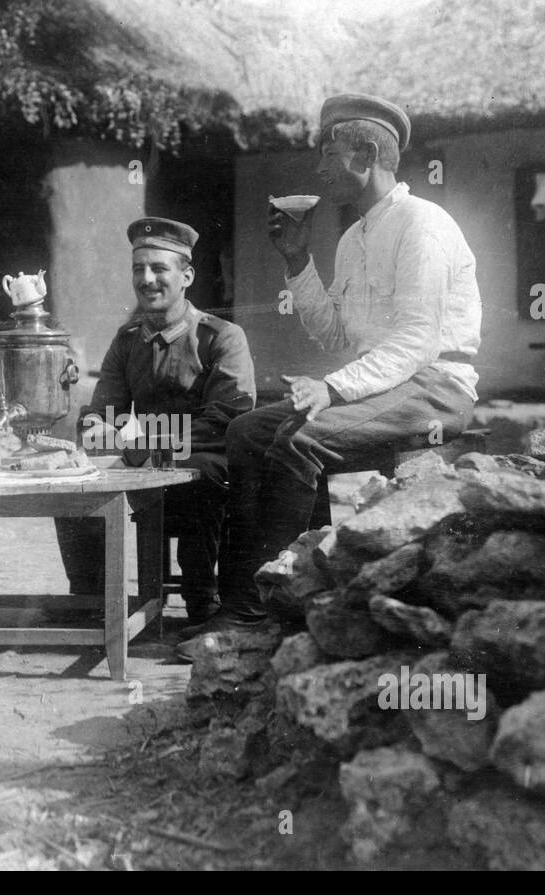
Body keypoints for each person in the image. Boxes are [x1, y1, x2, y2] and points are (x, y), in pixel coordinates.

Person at [180, 93, 482, 650]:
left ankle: (265, 612)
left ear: (366, 156)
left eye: (329, 154)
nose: (318, 169)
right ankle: (249, 603)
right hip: (390, 382)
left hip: (436, 387)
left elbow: (418, 341)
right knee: (248, 431)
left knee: (301, 439)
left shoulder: (423, 225)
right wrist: (297, 260)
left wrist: (332, 387)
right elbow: (339, 336)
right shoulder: (353, 237)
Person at [55, 217, 256, 627]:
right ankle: (92, 602)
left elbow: (227, 420)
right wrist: (97, 430)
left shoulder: (221, 337)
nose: (147, 279)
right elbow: (102, 411)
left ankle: (203, 606)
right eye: (138, 269)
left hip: (208, 464)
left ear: (186, 276)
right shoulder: (127, 341)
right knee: (70, 478)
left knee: (198, 473)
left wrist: (145, 437)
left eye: (159, 269)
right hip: (143, 466)